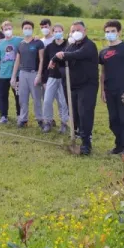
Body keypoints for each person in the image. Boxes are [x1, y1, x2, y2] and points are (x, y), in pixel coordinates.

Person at [50, 20, 98, 155]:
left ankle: (86, 143)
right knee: (74, 113)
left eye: (78, 30)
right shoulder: (70, 46)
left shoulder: (89, 46)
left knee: (85, 113)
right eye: (73, 31)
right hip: (71, 85)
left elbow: (77, 55)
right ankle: (76, 137)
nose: (76, 33)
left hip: (87, 85)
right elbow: (62, 58)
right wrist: (55, 60)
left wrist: (58, 56)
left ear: (85, 31)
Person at [99, 20, 124, 158]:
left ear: (119, 32)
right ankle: (119, 145)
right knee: (113, 120)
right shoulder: (103, 52)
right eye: (107, 31)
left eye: (113, 31)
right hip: (109, 90)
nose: (110, 34)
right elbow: (102, 72)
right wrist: (102, 90)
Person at [11, 20, 44, 129]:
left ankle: (40, 119)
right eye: (25, 28)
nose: (27, 30)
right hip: (22, 74)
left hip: (34, 73)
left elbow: (42, 59)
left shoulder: (38, 43)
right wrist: (13, 76)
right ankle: (23, 119)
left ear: (32, 29)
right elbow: (17, 61)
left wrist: (39, 75)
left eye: (29, 28)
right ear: (22, 30)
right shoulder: (21, 44)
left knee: (36, 98)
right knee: (22, 98)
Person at [0, 20, 22, 125]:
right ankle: (3, 116)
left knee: (18, 96)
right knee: (2, 96)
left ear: (12, 29)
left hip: (17, 75)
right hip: (3, 74)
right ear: (2, 31)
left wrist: (36, 38)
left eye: (9, 28)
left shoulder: (19, 40)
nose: (8, 30)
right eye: (6, 29)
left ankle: (20, 116)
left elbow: (29, 40)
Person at [41, 23, 69, 133]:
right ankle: (48, 121)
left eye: (59, 31)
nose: (58, 33)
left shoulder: (68, 45)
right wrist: (44, 79)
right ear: (52, 33)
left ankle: (64, 123)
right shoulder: (49, 47)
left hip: (63, 78)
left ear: (63, 31)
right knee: (47, 101)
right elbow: (45, 64)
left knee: (63, 102)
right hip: (51, 77)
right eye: (55, 31)